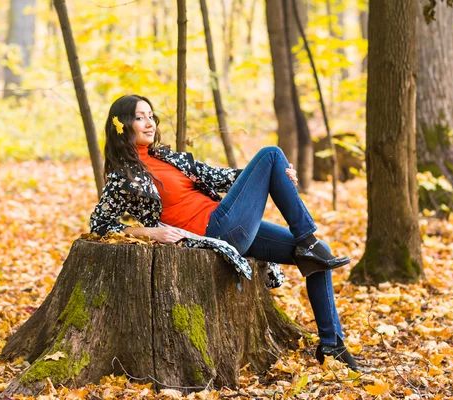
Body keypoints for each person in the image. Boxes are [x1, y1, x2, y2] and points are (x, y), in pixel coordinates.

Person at [89, 94, 360, 370]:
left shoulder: (167, 158)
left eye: (150, 116)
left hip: (226, 222)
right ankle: (307, 238)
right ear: (122, 125)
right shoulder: (123, 175)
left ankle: (332, 345)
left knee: (317, 258)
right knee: (271, 154)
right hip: (214, 231)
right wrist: (149, 232)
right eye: (139, 117)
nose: (149, 123)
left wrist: (276, 174)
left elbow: (219, 176)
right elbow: (99, 224)